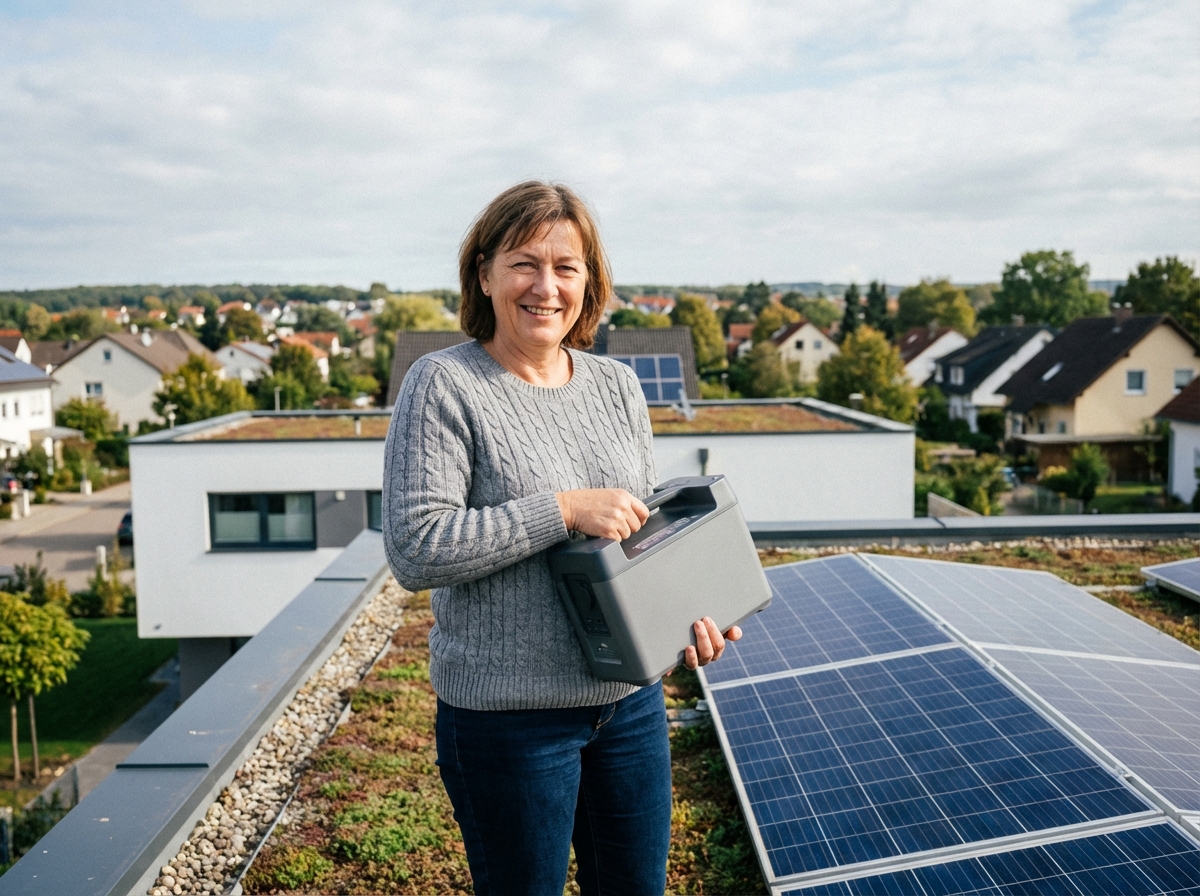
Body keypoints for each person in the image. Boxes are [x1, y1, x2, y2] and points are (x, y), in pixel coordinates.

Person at [383, 181, 741, 896]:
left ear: (589, 282)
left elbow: (634, 547)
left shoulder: (617, 386)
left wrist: (688, 616)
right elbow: (416, 547)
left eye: (566, 266)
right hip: (509, 721)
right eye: (524, 262)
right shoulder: (444, 384)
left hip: (628, 706)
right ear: (483, 274)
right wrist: (562, 509)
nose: (545, 286)